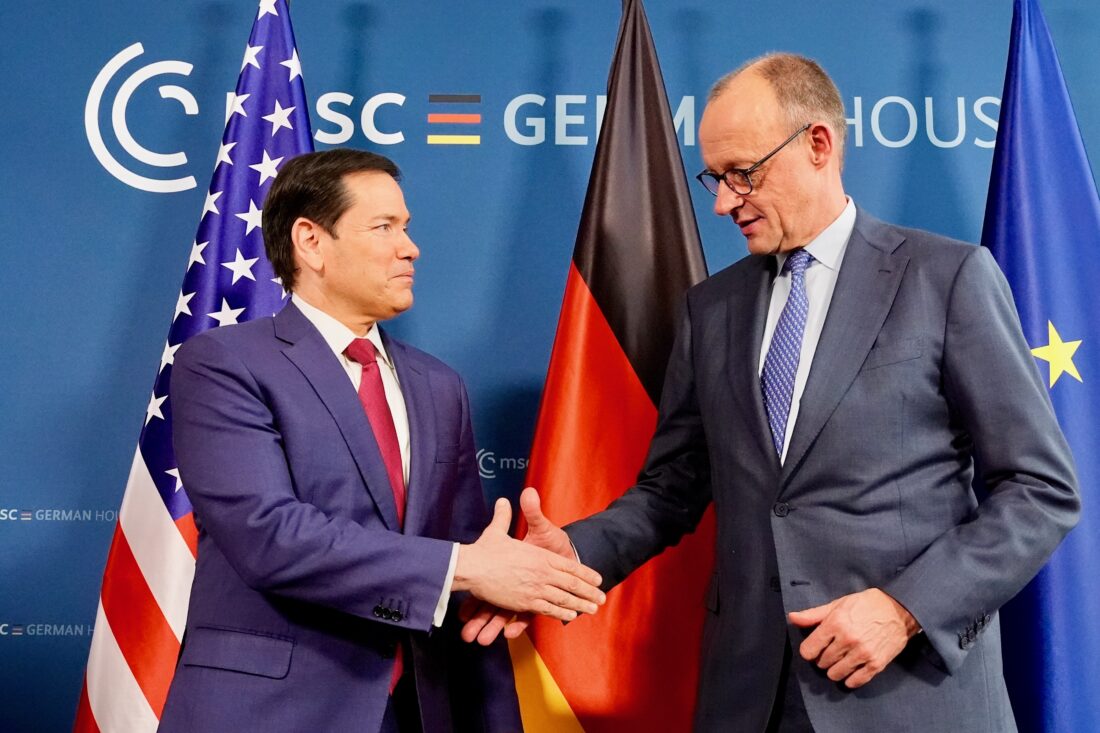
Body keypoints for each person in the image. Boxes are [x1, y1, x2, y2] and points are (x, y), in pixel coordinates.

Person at [465, 53, 1080, 732]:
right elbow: (674, 486)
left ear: (819, 143)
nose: (725, 201)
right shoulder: (712, 308)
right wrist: (577, 554)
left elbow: (1039, 489)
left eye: (743, 173)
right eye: (715, 179)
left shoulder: (947, 277)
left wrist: (905, 607)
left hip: (905, 691)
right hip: (750, 695)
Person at [159, 149, 605, 733]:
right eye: (384, 227)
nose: (410, 247)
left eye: (407, 227)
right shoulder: (223, 364)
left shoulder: (439, 385)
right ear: (311, 242)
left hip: (420, 709)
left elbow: (465, 563)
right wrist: (465, 567)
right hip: (272, 713)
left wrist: (504, 579)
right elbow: (270, 536)